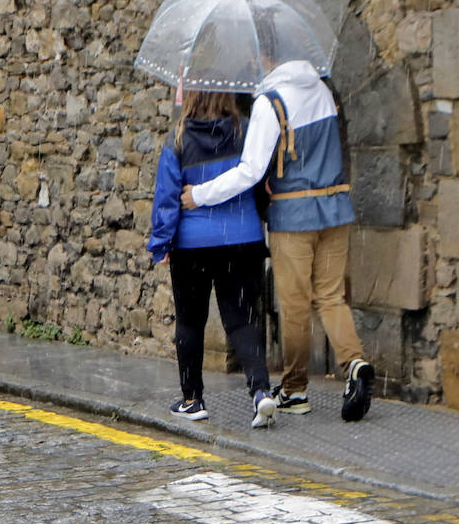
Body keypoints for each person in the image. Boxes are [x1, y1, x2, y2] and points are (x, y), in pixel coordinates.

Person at [182, 59, 374, 422]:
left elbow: (250, 170)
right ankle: (355, 362)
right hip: (336, 209)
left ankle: (295, 389)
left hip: (293, 215)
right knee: (331, 297)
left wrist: (200, 195)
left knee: (295, 304)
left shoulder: (270, 103)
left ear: (265, 59)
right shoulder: (321, 89)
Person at [149, 90, 277, 429]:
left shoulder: (177, 137)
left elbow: (166, 196)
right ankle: (261, 391)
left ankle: (193, 400)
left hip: (192, 244)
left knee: (190, 322)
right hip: (243, 239)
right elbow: (262, 181)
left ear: (190, 97)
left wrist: (161, 243)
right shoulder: (247, 130)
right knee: (243, 320)